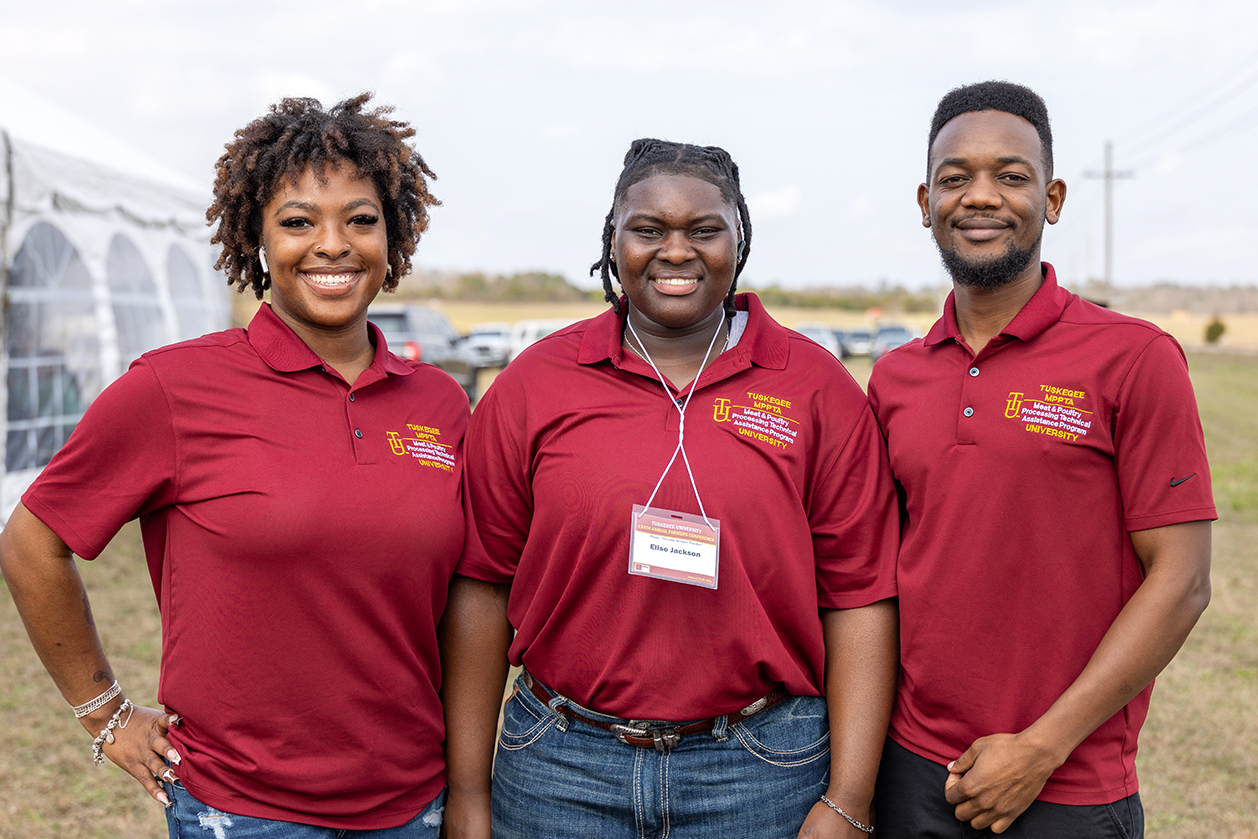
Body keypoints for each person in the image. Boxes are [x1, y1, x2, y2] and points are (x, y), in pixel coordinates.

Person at [0, 94, 465, 836]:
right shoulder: (173, 387)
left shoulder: (440, 402)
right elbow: (32, 542)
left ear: (394, 233)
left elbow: (466, 599)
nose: (333, 244)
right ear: (256, 236)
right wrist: (105, 713)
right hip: (243, 811)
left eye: (360, 219)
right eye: (298, 222)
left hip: (412, 805)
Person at [440, 138, 900, 839]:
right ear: (612, 240)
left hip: (758, 770)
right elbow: (482, 585)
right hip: (562, 768)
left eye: (704, 230)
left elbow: (859, 595)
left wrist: (850, 799)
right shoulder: (534, 385)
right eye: (648, 229)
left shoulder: (817, 389)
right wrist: (470, 789)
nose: (676, 251)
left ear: (740, 239)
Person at [868, 81, 1215, 837]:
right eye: (955, 177)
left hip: (1068, 781)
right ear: (926, 203)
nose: (980, 196)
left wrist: (1041, 747)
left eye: (1011, 175)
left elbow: (1183, 580)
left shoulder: (1135, 358)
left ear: (1052, 199)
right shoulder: (894, 378)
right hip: (912, 767)